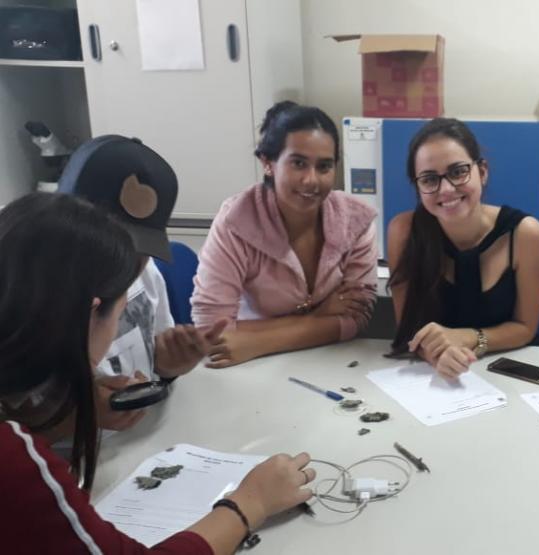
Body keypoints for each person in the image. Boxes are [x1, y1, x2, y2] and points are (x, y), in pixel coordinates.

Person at [0, 193, 316, 554]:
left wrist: (66, 421)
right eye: (119, 311)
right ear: (90, 316)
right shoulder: (14, 462)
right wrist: (251, 502)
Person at [58, 135, 227, 431]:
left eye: (139, 248)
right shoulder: (24, 293)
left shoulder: (145, 272)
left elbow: (154, 364)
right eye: (106, 243)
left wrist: (168, 365)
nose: (125, 263)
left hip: (146, 442)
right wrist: (73, 419)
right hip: (66, 461)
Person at [191, 102, 377, 367]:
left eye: (324, 167)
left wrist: (255, 341)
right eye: (298, 163)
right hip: (251, 369)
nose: (311, 180)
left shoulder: (355, 220)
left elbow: (356, 318)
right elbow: (211, 332)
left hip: (328, 363)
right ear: (268, 163)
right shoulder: (236, 222)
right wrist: (320, 318)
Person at [387, 118, 539, 378]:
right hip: (439, 378)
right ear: (418, 186)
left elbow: (525, 328)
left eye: (458, 171)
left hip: (506, 370)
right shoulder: (403, 232)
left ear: (482, 172)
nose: (447, 189)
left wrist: (468, 338)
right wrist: (437, 355)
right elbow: (409, 331)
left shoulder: (523, 233)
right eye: (429, 179)